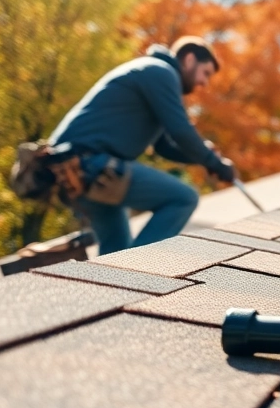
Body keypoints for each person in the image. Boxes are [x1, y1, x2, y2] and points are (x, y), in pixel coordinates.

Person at [49, 37, 235, 254]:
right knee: (183, 198)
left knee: (115, 251)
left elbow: (163, 146)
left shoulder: (151, 73)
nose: (204, 83)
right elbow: (181, 131)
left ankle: (118, 272)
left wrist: (205, 159)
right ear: (189, 59)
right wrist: (216, 163)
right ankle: (136, 266)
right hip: (87, 164)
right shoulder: (161, 72)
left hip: (75, 168)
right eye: (205, 73)